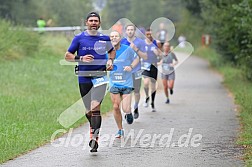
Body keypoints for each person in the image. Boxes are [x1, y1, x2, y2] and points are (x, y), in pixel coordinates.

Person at [65, 12, 116, 152]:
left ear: (99, 23)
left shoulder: (105, 38)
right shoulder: (79, 38)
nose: (93, 23)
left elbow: (112, 51)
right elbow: (67, 56)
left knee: (95, 108)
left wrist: (111, 60)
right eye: (91, 20)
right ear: (86, 22)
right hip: (83, 76)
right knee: (88, 111)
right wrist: (80, 59)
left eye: (96, 20)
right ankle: (93, 127)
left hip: (100, 76)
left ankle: (94, 138)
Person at [109, 30, 139, 138]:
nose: (114, 38)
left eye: (116, 36)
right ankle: (120, 130)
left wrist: (130, 67)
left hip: (126, 82)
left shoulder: (127, 49)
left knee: (126, 109)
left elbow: (137, 59)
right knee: (116, 107)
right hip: (114, 83)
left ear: (120, 38)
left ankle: (129, 113)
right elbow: (102, 64)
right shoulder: (107, 51)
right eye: (111, 36)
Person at [121, 24, 147, 119]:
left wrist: (136, 49)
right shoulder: (122, 42)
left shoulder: (140, 42)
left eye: (132, 30)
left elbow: (145, 56)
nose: (130, 31)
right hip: (125, 71)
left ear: (135, 31)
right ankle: (128, 111)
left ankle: (135, 107)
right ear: (126, 31)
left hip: (136, 70)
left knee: (136, 91)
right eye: (128, 30)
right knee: (127, 92)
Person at [142, 28, 160, 112]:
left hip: (154, 65)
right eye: (147, 34)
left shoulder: (155, 42)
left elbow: (159, 54)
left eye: (150, 34)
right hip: (145, 65)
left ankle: (152, 102)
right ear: (145, 35)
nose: (149, 36)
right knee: (145, 83)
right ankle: (146, 96)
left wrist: (156, 51)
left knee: (153, 86)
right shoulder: (142, 43)